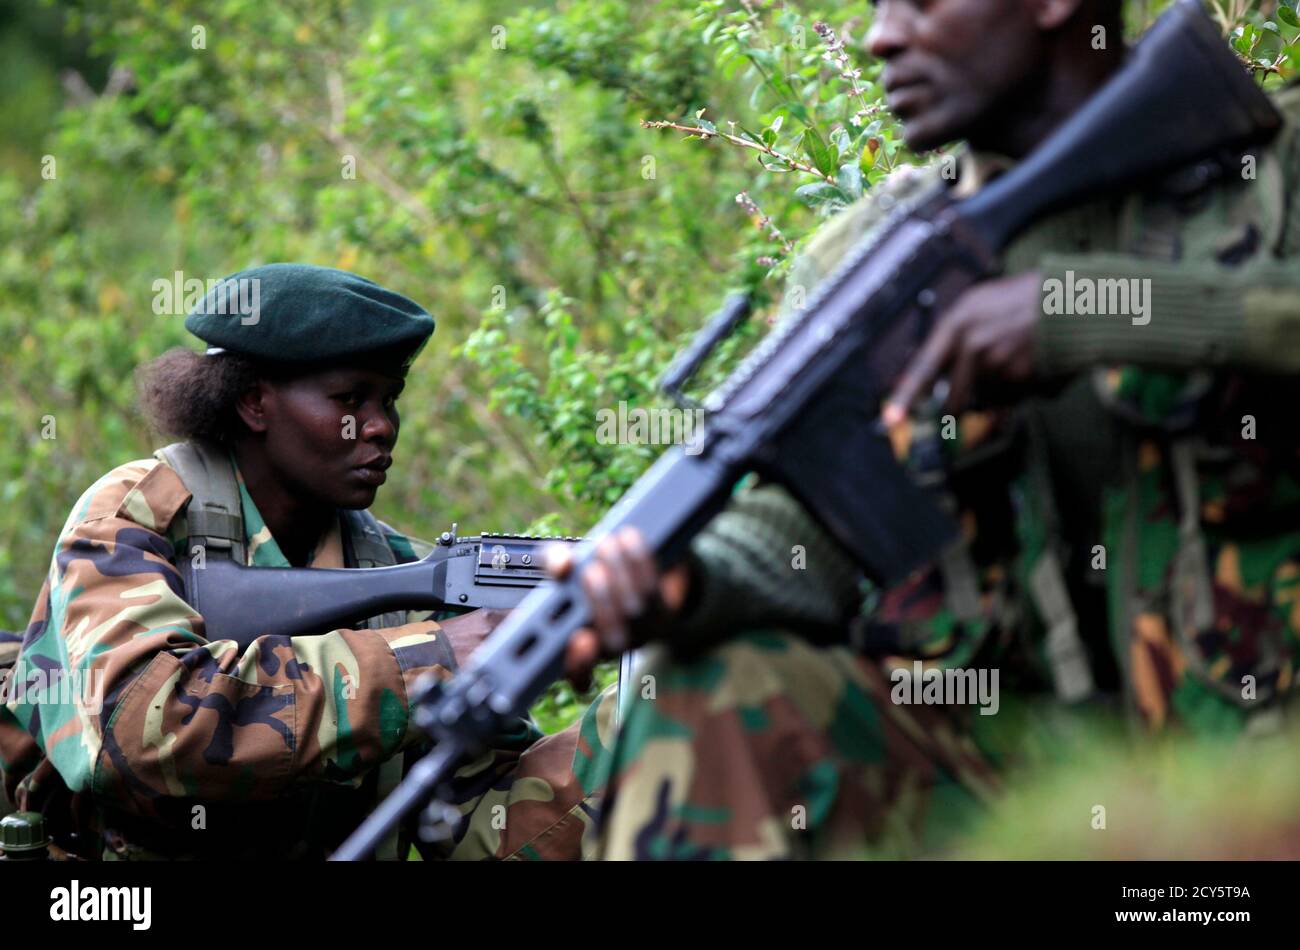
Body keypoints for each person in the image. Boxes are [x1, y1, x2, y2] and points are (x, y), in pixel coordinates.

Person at [554, 0, 1300, 859]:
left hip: (1262, 782)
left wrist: (1097, 308)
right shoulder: (865, 265)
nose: (880, 35)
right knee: (711, 683)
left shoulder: (1273, 174)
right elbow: (811, 528)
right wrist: (692, 582)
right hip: (1027, 799)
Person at [0, 263, 613, 860]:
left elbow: (487, 825)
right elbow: (142, 728)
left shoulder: (392, 566)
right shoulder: (139, 515)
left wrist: (635, 718)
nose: (380, 427)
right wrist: (436, 658)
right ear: (253, 402)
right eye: (351, 399)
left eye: (389, 399)